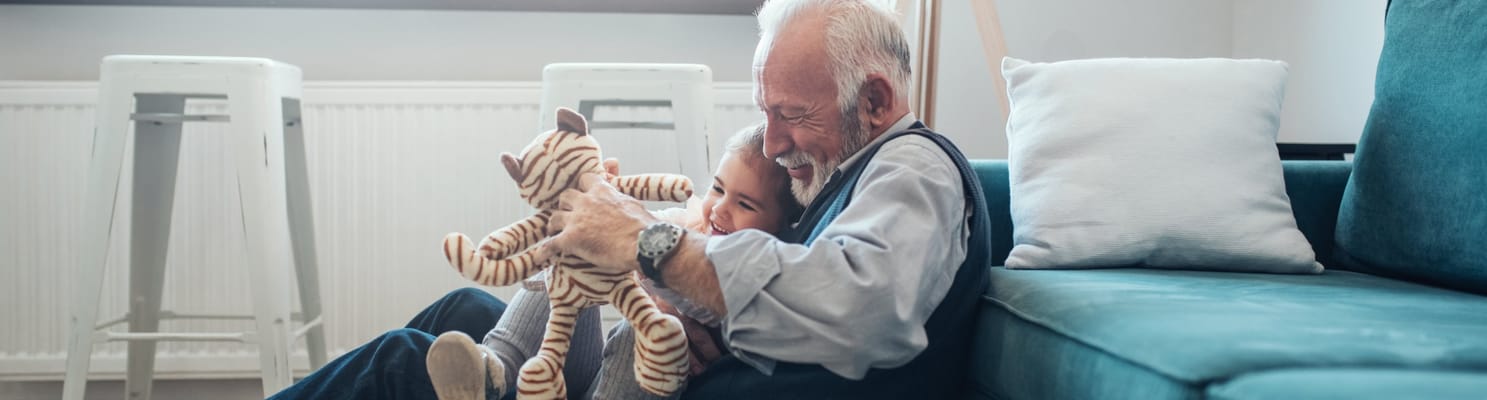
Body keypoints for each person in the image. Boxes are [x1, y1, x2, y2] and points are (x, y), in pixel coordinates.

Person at [544, 0, 992, 398]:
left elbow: (859, 309)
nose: (772, 146)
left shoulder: (916, 166)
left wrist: (650, 244)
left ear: (874, 101)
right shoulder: (840, 177)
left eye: (792, 115)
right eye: (765, 113)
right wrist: (674, 296)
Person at [424, 122, 805, 400]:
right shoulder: (690, 224)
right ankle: (492, 370)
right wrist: (601, 215)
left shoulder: (755, 271)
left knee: (637, 332)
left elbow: (707, 305)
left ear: (781, 227)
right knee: (573, 251)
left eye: (745, 204)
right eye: (718, 189)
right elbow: (634, 229)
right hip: (580, 372)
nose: (719, 209)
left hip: (635, 383)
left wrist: (654, 278)